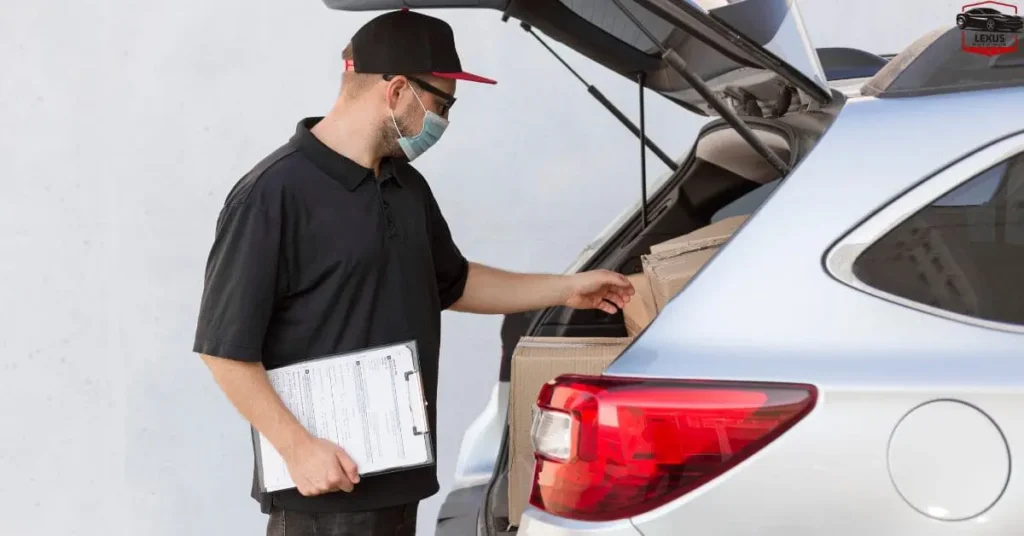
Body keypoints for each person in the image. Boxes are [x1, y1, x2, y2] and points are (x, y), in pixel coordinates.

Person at [192, 8, 634, 536]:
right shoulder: (272, 194)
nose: (445, 120)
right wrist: (297, 448)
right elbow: (223, 350)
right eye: (443, 104)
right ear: (398, 90)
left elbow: (454, 282)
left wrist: (566, 289)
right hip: (325, 499)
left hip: (401, 484)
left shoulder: (406, 186)